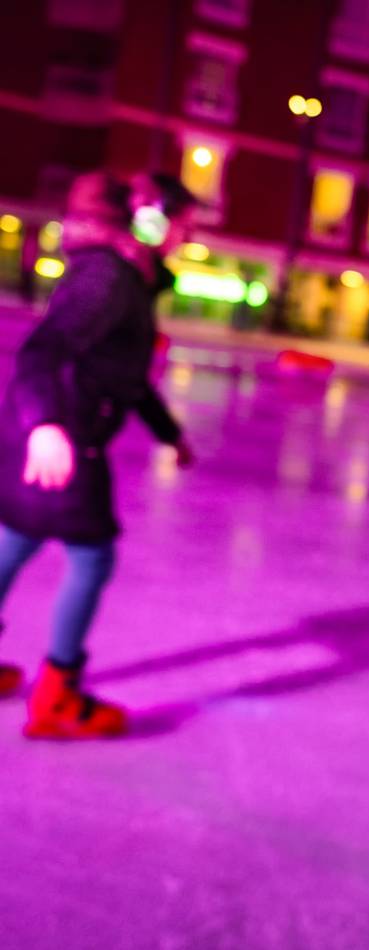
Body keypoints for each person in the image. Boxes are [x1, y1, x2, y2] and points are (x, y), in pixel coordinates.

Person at [0, 170, 196, 739]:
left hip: (40, 434)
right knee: (91, 559)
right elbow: (41, 351)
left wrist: (169, 433)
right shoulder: (111, 277)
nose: (187, 238)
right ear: (151, 221)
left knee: (17, 540)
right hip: (63, 438)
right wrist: (47, 427)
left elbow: (127, 377)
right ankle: (57, 698)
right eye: (183, 225)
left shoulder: (124, 276)